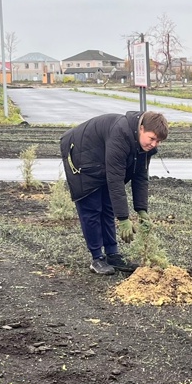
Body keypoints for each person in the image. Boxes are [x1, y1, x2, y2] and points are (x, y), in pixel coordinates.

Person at [60, 110, 169, 275]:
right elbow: (116, 179)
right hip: (81, 154)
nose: (154, 144)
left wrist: (141, 209)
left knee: (108, 206)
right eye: (152, 138)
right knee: (92, 208)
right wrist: (124, 219)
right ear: (141, 128)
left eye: (158, 141)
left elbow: (140, 176)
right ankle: (97, 258)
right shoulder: (121, 134)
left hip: (102, 158)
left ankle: (112, 255)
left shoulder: (144, 145)